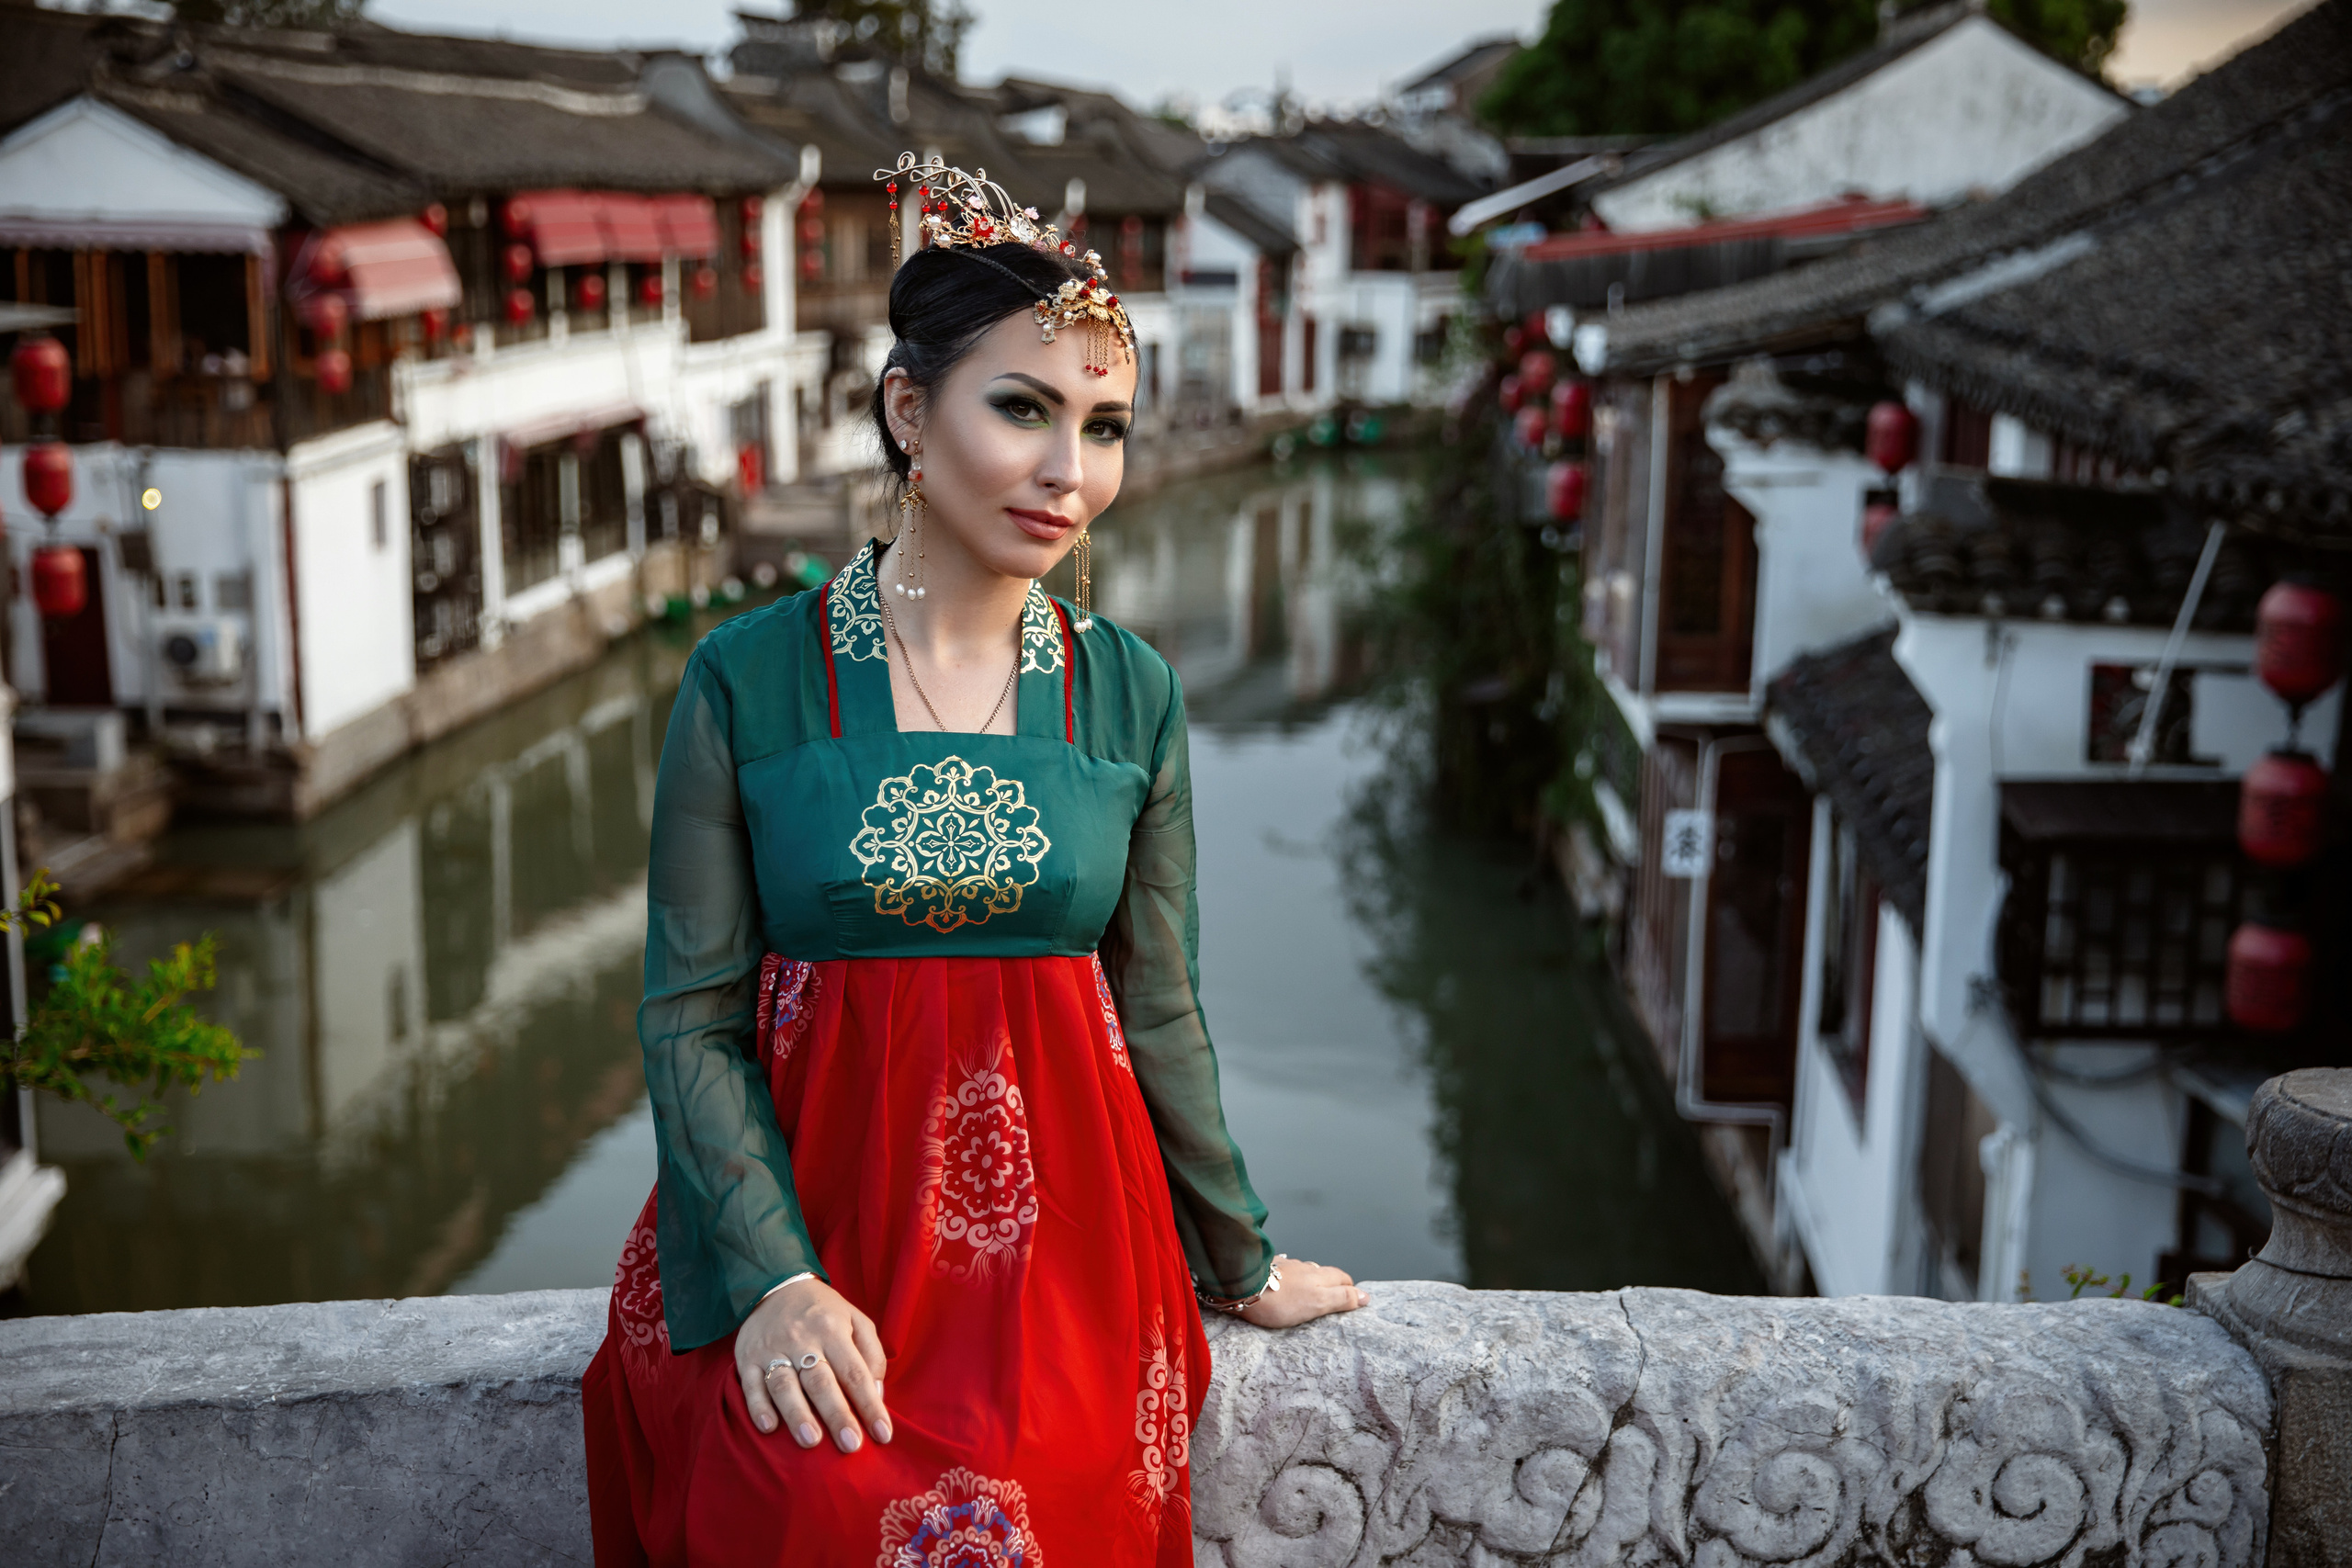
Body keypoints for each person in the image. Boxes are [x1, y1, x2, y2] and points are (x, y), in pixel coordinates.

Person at [581, 159, 1367, 1567]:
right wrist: (770, 1281)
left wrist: (1237, 1256)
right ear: (907, 412)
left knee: (1071, 1494)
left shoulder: (1132, 695)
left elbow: (1162, 1001)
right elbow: (688, 1014)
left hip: (1069, 1252)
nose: (1074, 472)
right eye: (1024, 408)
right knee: (797, 1497)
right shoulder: (744, 683)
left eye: (1106, 425)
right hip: (811, 1233)